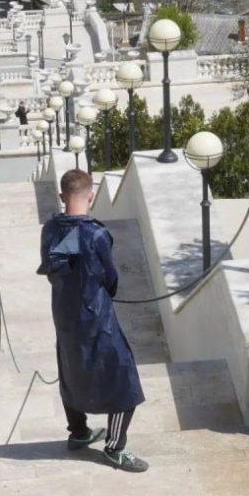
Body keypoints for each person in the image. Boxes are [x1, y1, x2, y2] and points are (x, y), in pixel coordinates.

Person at [40, 169, 148, 472]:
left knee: (71, 369)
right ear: (91, 195)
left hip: (64, 315)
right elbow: (110, 278)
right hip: (96, 318)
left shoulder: (50, 229)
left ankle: (79, 431)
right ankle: (114, 447)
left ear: (62, 197)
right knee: (125, 380)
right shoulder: (97, 234)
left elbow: (54, 267)